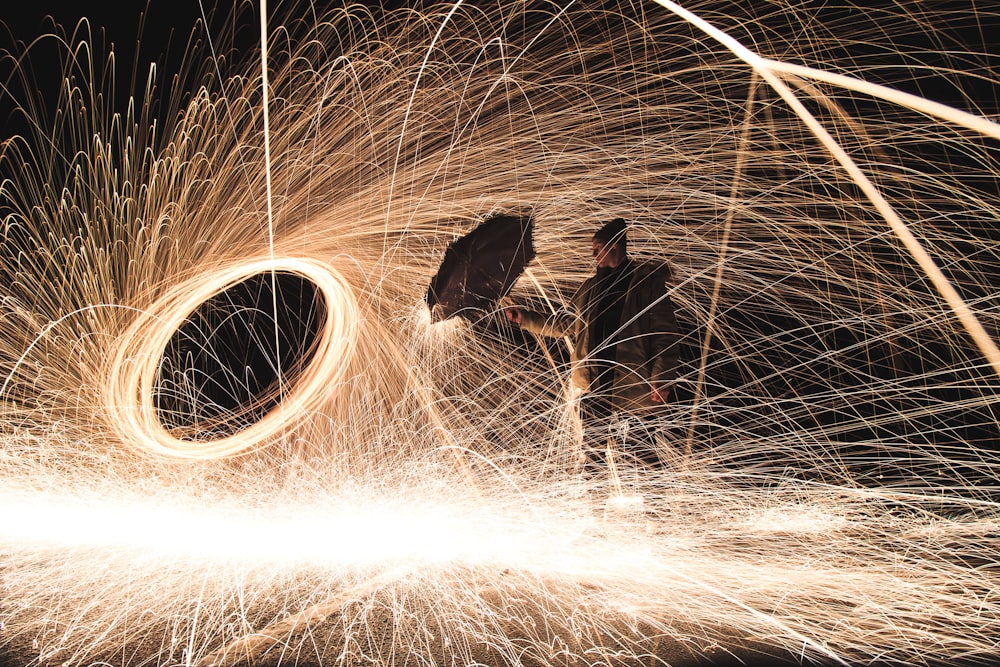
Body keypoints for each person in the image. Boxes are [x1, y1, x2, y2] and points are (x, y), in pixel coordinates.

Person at [505, 217, 680, 469]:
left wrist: (662, 376)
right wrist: (525, 319)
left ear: (615, 247)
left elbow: (665, 334)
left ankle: (653, 508)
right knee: (592, 457)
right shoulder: (590, 288)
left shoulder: (645, 285)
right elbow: (565, 324)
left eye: (597, 247)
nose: (592, 253)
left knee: (641, 459)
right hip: (593, 385)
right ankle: (596, 507)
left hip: (631, 387)